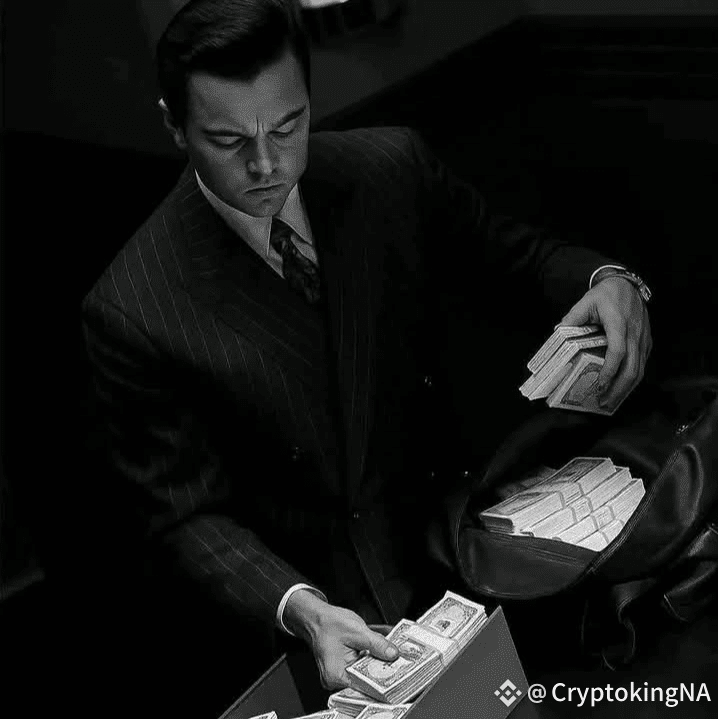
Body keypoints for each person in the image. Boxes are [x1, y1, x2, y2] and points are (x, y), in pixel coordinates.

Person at [83, 0, 652, 692]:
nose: (266, 163)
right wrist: (300, 607)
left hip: (465, 531)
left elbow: (518, 258)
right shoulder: (134, 306)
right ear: (175, 125)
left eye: (288, 125)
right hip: (330, 609)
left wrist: (611, 279)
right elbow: (186, 515)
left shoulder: (388, 168)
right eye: (228, 140)